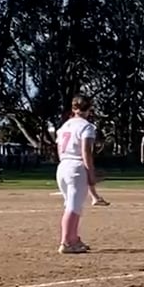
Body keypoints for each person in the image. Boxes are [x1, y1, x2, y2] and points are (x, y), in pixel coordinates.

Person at [55, 94, 110, 253]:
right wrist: (91, 173)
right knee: (74, 206)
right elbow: (86, 152)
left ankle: (73, 239)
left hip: (63, 165)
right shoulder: (87, 127)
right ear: (89, 109)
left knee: (72, 204)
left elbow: (59, 149)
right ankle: (66, 242)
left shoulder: (64, 126)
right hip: (76, 166)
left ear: (73, 108)